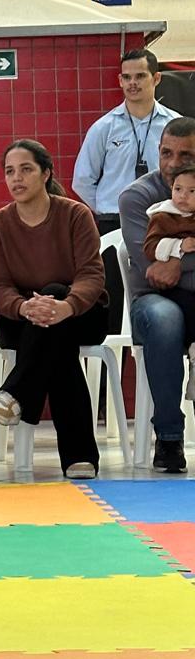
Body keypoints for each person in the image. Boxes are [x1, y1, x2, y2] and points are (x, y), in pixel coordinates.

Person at [0, 139, 107, 479]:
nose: (16, 178)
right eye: (9, 171)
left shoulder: (75, 214)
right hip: (23, 319)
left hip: (82, 313)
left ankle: (13, 394)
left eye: (26, 169)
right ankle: (79, 457)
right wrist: (25, 308)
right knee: (57, 347)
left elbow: (92, 275)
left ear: (46, 173)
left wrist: (66, 305)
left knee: (54, 299)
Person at [73, 48, 179, 332]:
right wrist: (109, 207)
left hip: (165, 222)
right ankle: (114, 361)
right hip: (113, 224)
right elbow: (82, 179)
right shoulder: (104, 127)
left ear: (156, 78)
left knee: (165, 292)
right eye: (126, 77)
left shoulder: (174, 125)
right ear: (120, 81)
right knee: (114, 301)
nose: (133, 83)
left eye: (140, 76)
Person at [119, 117, 195, 473]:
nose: (173, 163)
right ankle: (168, 436)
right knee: (166, 320)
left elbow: (167, 265)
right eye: (166, 153)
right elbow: (150, 265)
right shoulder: (137, 197)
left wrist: (176, 260)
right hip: (153, 299)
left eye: (185, 155)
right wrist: (175, 258)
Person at [144, 165, 195, 396]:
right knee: (188, 307)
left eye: (192, 191)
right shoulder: (163, 216)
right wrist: (179, 246)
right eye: (178, 189)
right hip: (175, 289)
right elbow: (151, 247)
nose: (183, 196)